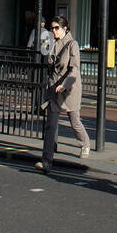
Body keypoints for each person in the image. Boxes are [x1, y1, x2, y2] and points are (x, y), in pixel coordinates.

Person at [37, 17, 90, 170]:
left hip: (69, 89)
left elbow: (74, 69)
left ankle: (85, 143)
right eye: (52, 28)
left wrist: (65, 85)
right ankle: (46, 161)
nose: (53, 31)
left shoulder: (73, 44)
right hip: (54, 88)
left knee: (74, 121)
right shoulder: (52, 43)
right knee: (50, 125)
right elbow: (48, 61)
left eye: (56, 28)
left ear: (65, 28)